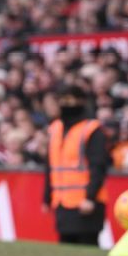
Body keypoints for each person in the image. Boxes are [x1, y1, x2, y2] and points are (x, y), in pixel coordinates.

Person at [43, 84, 109, 246]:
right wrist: (47, 196)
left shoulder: (91, 130)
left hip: (85, 205)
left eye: (69, 100)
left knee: (86, 251)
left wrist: (90, 197)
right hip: (62, 203)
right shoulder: (55, 129)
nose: (65, 104)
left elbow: (98, 167)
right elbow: (51, 166)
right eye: (62, 100)